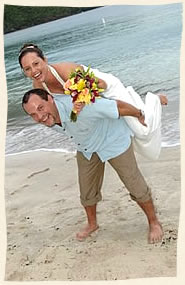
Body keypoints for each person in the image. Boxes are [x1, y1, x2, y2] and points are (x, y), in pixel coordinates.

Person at [22, 88, 164, 244]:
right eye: (33, 115)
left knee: (133, 182)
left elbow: (116, 106)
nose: (39, 116)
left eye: (40, 108)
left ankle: (153, 222)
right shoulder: (50, 116)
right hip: (87, 147)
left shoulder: (80, 105)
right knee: (86, 189)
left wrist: (139, 114)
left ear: (50, 99)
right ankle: (92, 224)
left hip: (113, 139)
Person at [18, 43, 168, 160]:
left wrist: (81, 97)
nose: (34, 71)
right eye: (27, 69)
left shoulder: (66, 70)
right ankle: (135, 103)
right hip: (92, 103)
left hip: (107, 90)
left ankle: (154, 100)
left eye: (36, 64)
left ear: (45, 60)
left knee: (141, 129)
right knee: (124, 131)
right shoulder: (38, 86)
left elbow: (102, 84)